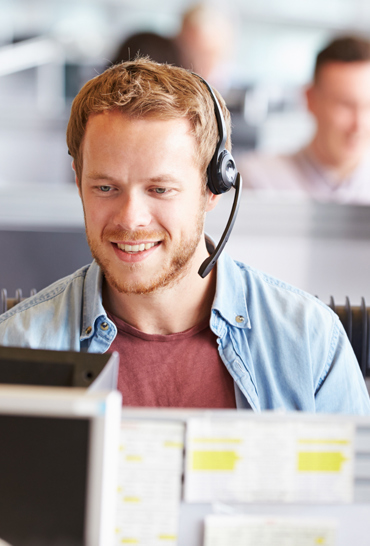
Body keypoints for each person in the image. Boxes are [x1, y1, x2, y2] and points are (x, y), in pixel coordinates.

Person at [0, 58, 369, 413]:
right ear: (78, 182)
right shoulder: (17, 344)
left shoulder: (309, 341)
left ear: (213, 189)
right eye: (106, 188)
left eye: (160, 190)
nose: (131, 219)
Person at [238, 36, 370, 203]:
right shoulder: (258, 182)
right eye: (345, 105)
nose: (359, 124)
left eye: (368, 106)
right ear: (310, 99)